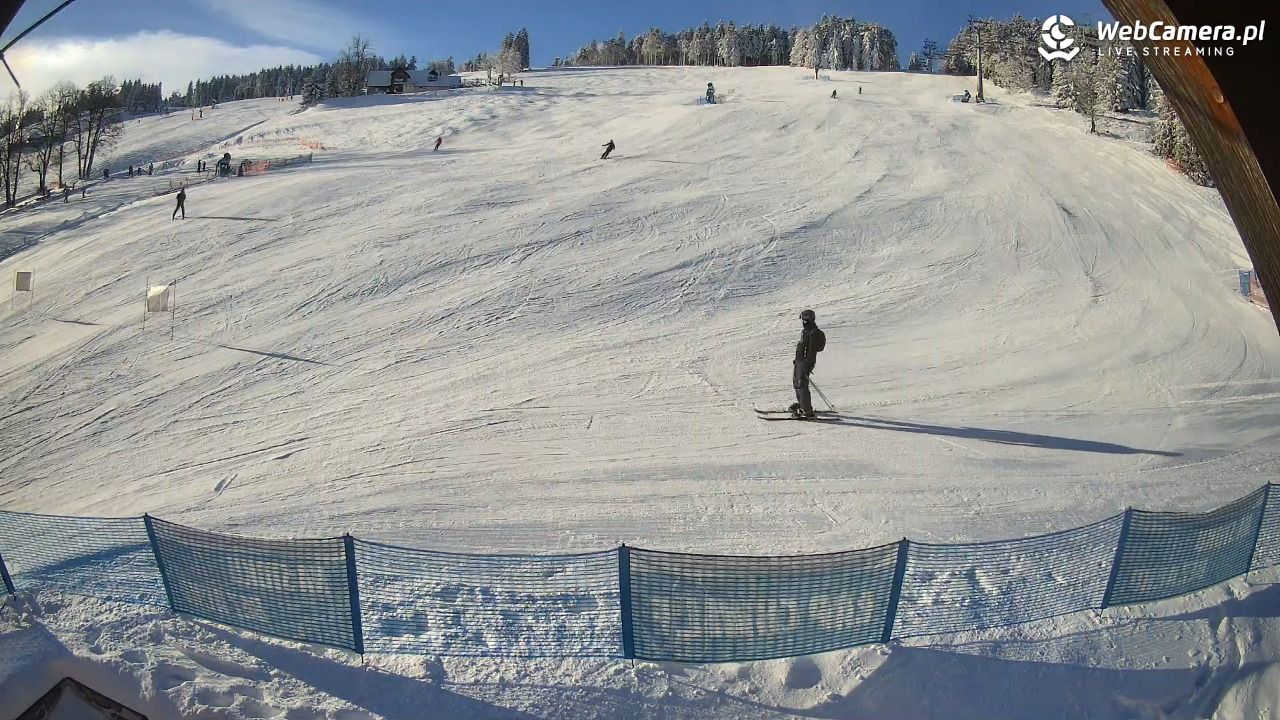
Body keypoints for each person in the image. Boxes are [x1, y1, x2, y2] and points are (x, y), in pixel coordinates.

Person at [790, 309, 827, 419]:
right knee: (796, 383)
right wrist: (797, 359)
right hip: (800, 362)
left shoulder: (813, 333)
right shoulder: (806, 331)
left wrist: (806, 363)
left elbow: (811, 350)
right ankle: (802, 404)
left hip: (805, 363)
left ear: (807, 319)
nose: (802, 322)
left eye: (803, 319)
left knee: (802, 385)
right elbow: (802, 348)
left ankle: (807, 411)